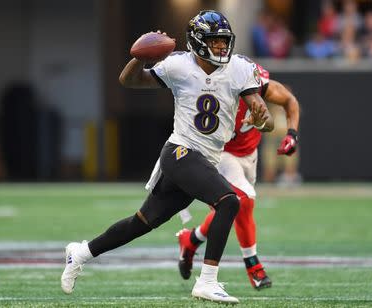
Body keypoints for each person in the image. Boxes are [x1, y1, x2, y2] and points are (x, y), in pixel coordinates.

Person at [60, 10, 274, 304]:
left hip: (206, 159)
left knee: (141, 223)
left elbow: (263, 115)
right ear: (199, 42)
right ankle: (207, 281)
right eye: (215, 42)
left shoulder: (239, 68)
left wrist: (263, 119)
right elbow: (130, 81)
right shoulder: (178, 65)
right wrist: (140, 56)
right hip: (180, 152)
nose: (222, 47)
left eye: (225, 41)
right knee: (229, 201)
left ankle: (80, 252)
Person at [176, 64, 299, 289]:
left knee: (231, 207)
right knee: (244, 198)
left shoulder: (259, 84)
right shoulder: (211, 89)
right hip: (221, 153)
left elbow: (289, 100)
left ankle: (191, 240)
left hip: (249, 154)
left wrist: (292, 134)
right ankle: (254, 267)